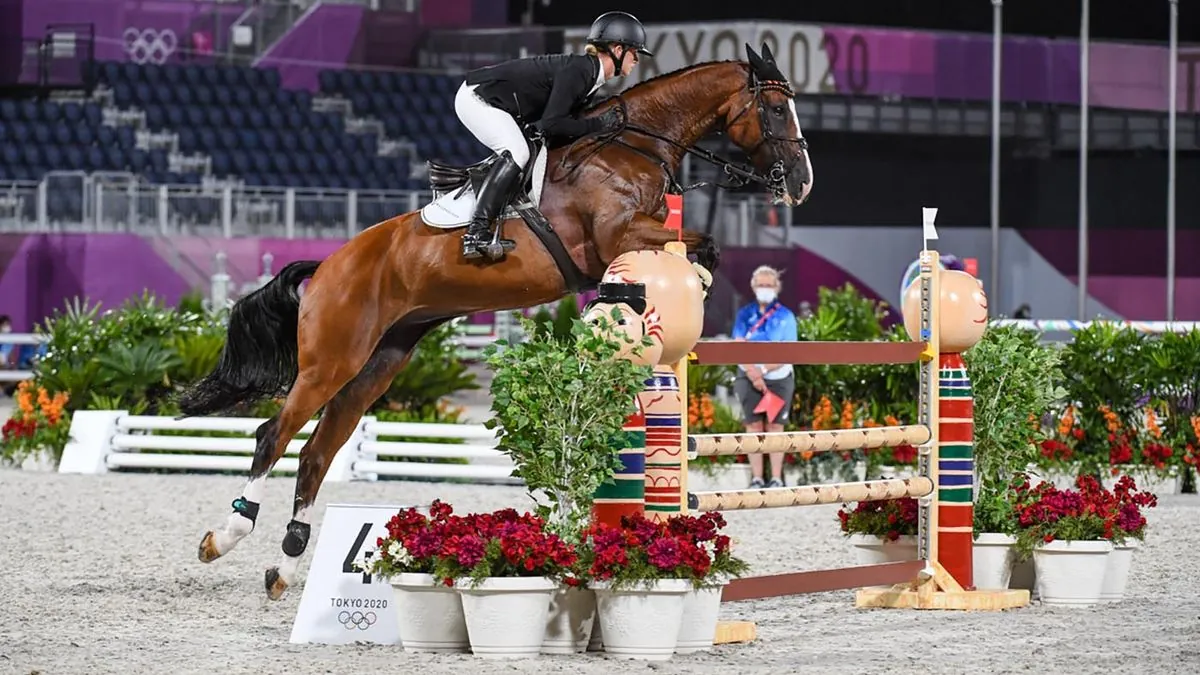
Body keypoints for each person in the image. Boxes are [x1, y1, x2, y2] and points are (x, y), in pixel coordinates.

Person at [452, 11, 652, 260]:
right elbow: (552, 125)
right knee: (518, 152)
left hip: (500, 103)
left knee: (527, 149)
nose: (637, 60)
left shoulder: (590, 76)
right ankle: (476, 233)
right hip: (477, 98)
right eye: (634, 53)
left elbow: (552, 126)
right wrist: (599, 125)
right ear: (618, 49)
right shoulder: (580, 71)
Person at [731, 266, 798, 488]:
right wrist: (753, 372)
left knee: (775, 426)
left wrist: (763, 371)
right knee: (753, 426)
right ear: (753, 286)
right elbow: (738, 345)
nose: (765, 289)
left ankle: (777, 478)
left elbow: (789, 350)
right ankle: (757, 477)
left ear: (777, 288)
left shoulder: (786, 316)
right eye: (761, 285)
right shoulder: (744, 314)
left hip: (778, 377)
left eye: (769, 285)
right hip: (748, 376)